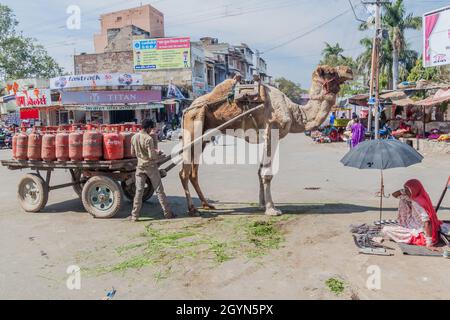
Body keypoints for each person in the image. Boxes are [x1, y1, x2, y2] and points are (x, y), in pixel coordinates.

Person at [130, 119, 174, 221]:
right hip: (150, 167)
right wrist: (159, 153)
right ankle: (167, 213)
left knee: (139, 191)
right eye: (152, 128)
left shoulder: (134, 137)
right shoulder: (148, 139)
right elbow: (151, 156)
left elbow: (132, 153)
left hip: (139, 167)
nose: (152, 130)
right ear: (149, 128)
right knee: (159, 191)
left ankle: (134, 215)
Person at [382, 179, 443, 249]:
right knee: (403, 199)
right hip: (414, 223)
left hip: (421, 233)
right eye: (405, 189)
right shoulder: (419, 196)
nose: (405, 191)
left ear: (414, 190)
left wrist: (429, 243)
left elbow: (427, 222)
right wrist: (404, 190)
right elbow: (394, 195)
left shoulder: (418, 202)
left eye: (407, 190)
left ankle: (408, 237)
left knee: (386, 229)